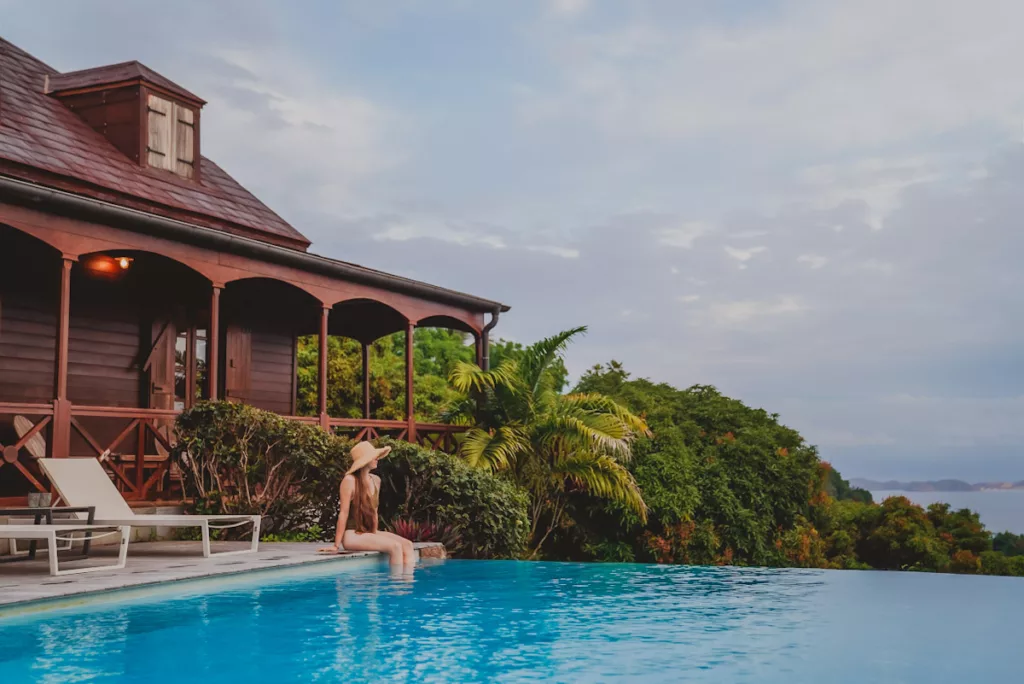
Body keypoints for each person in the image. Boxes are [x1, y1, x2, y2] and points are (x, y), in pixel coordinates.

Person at [317, 441, 415, 567]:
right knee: (395, 547)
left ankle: (406, 585)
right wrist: (336, 545)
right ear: (365, 460)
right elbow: (343, 513)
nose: (377, 459)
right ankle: (396, 584)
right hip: (352, 535)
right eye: (374, 456)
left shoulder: (376, 480)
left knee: (408, 545)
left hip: (368, 532)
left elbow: (374, 510)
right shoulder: (349, 481)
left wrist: (374, 532)